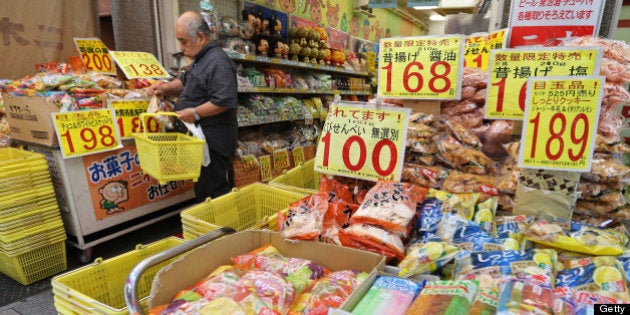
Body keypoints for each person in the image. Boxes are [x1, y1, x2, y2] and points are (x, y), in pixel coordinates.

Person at [147, 11, 238, 202]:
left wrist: (195, 113)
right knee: (206, 189)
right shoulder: (201, 59)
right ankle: (214, 226)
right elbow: (184, 82)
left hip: (214, 142)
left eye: (183, 42)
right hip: (201, 141)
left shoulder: (219, 62)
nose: (181, 47)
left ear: (201, 37)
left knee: (213, 192)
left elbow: (223, 100)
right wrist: (162, 89)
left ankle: (219, 229)